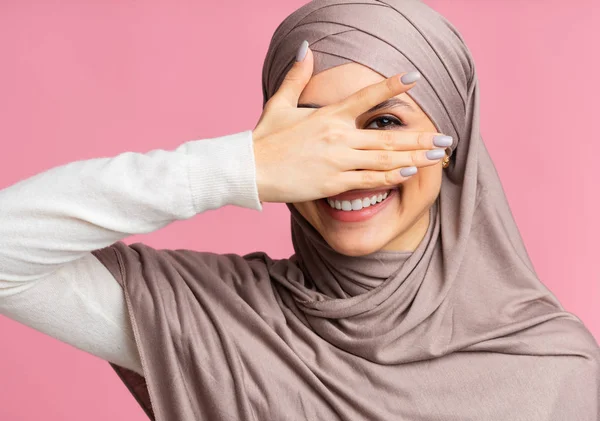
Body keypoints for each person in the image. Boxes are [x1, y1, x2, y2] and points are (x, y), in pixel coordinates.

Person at [1, 0, 598, 420]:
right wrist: (241, 167)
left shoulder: (555, 368)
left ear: (454, 144)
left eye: (384, 123)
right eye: (311, 133)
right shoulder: (214, 319)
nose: (340, 164)